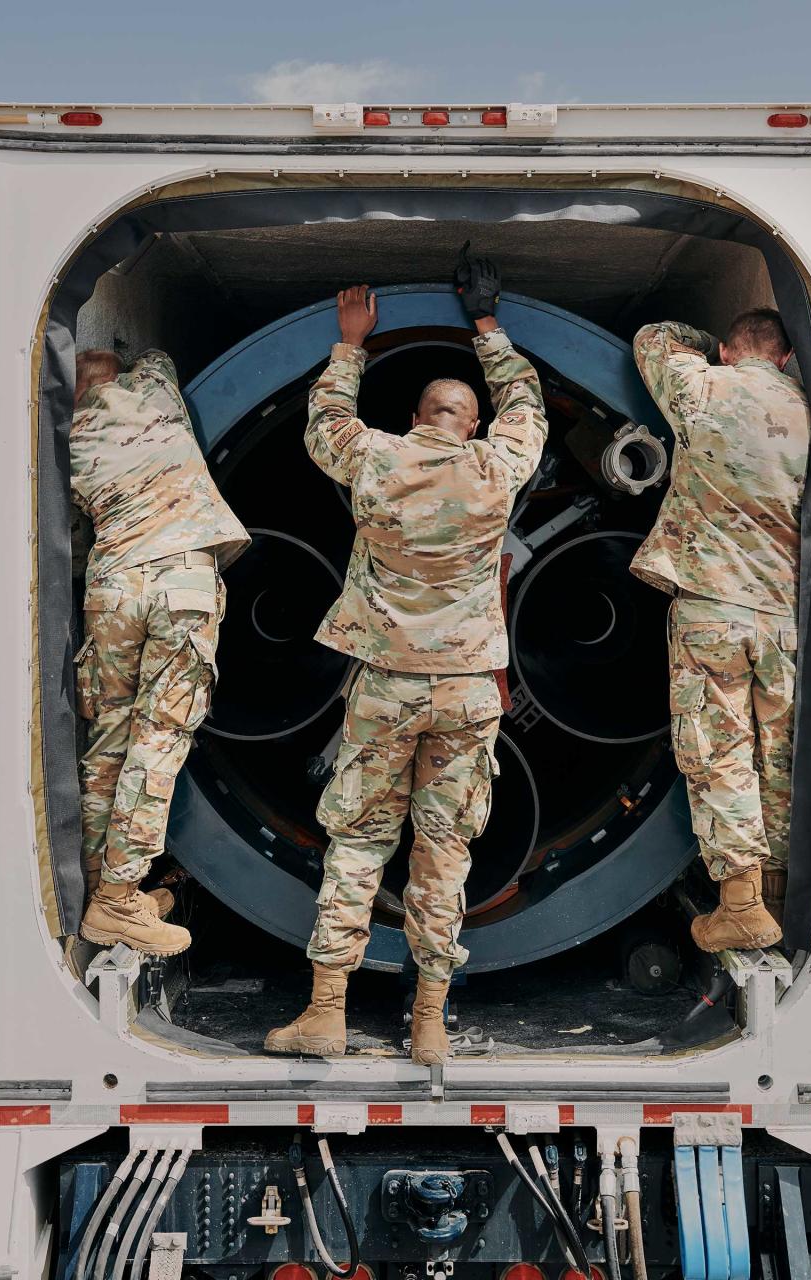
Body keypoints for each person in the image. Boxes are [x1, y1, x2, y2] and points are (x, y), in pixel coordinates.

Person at [265, 249, 548, 1063]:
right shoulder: (497, 467)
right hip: (465, 692)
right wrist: (487, 323)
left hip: (388, 685)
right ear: (468, 422)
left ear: (419, 413)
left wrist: (352, 343)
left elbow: (324, 423)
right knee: (445, 850)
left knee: (357, 842)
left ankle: (326, 1013)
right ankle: (429, 1019)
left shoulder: (378, 458)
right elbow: (526, 402)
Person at [630, 309, 811, 953]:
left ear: (732, 351)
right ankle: (785, 892)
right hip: (785, 611)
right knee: (781, 752)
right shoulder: (809, 408)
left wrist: (710, 350)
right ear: (786, 357)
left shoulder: (705, 385)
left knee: (720, 748)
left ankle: (741, 901)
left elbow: (653, 337)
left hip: (714, 603)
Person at [71, 348, 250, 955]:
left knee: (112, 740)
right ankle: (119, 902)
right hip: (178, 584)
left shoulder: (71, 446)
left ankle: (101, 889)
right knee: (160, 740)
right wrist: (126, 362)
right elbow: (160, 357)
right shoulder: (154, 392)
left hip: (113, 585)